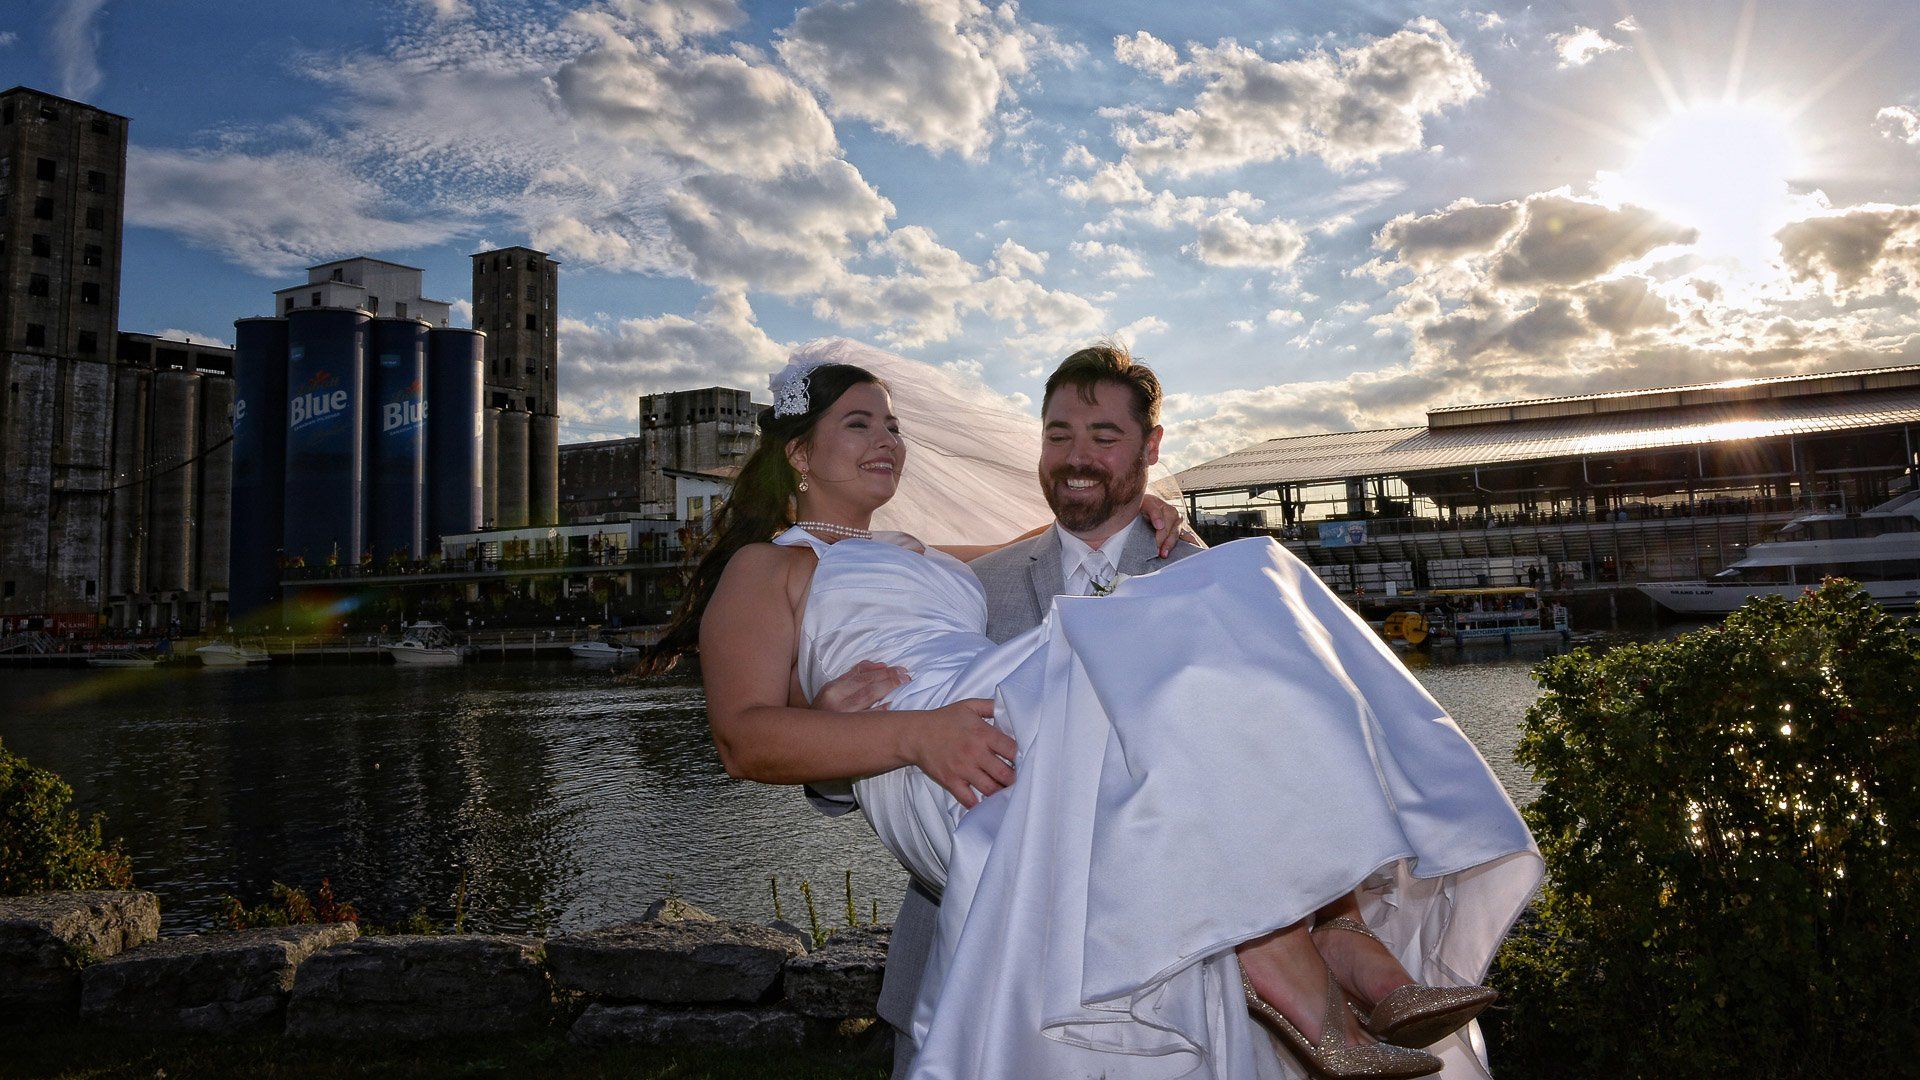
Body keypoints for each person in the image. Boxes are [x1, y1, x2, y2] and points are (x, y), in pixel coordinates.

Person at [644, 345, 1541, 1080]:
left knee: (1248, 579)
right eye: (859, 423)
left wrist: (1148, 501)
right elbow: (743, 739)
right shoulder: (767, 565)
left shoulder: (929, 555)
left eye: (893, 424)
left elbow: (1050, 538)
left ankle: (1317, 946)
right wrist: (896, 732)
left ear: (1143, 446)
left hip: (1001, 707)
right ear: (799, 454)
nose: (888, 440)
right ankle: (1305, 964)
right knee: (1173, 646)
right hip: (946, 750)